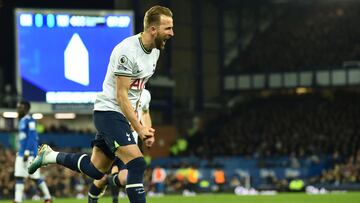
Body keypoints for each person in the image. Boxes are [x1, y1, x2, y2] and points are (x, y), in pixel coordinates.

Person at [28, 5, 174, 203]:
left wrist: (141, 125)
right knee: (137, 163)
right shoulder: (127, 52)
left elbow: (136, 93)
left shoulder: (154, 52)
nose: (171, 33)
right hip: (109, 113)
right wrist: (139, 129)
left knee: (96, 170)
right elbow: (121, 96)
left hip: (122, 117)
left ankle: (49, 156)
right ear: (153, 29)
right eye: (168, 28)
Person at [88, 89, 154, 203]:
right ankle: (95, 197)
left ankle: (108, 182)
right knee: (98, 176)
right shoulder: (119, 91)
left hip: (129, 144)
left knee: (124, 179)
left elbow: (145, 111)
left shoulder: (145, 94)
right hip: (112, 140)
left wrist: (148, 132)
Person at [14, 101, 52, 203]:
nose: (18, 109)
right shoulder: (21, 120)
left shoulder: (30, 120)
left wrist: (27, 151)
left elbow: (32, 137)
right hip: (21, 153)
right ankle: (17, 200)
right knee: (19, 176)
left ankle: (48, 198)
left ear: (26, 108)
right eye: (18, 107)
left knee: (35, 177)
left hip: (29, 153)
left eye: (20, 107)